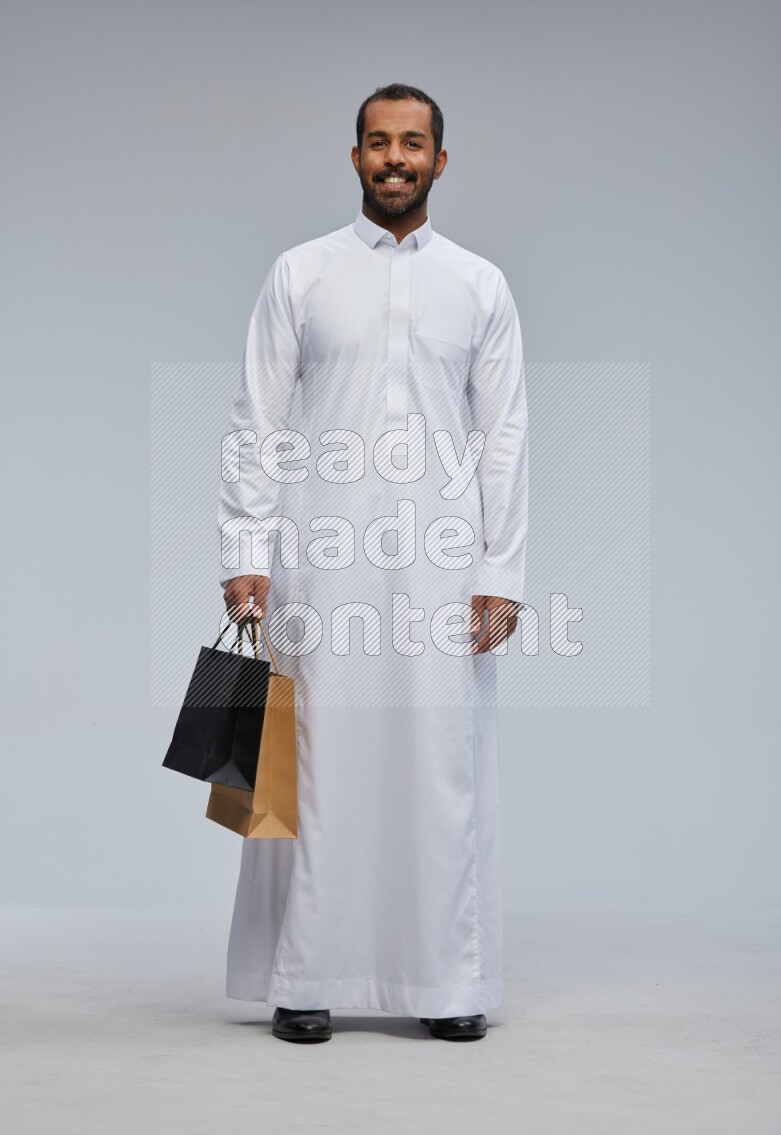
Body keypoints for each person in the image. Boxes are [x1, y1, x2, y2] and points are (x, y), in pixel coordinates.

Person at [217, 82, 529, 1043]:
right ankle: (304, 978)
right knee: (315, 764)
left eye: (414, 144)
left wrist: (501, 573)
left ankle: (447, 983)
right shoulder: (301, 274)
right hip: (320, 559)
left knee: (441, 768)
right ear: (354, 156)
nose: (396, 158)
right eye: (378, 143)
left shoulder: (480, 285)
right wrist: (245, 550)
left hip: (442, 570)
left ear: (441, 160)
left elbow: (504, 435)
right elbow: (256, 423)